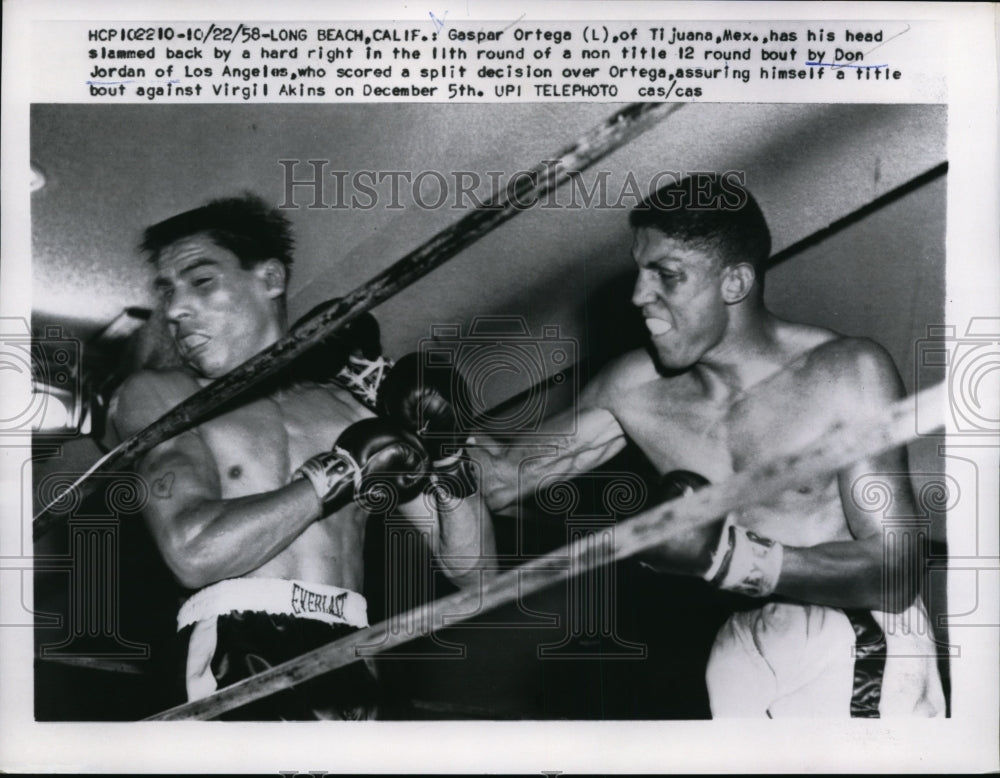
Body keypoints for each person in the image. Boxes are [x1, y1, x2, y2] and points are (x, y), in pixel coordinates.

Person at [473, 175, 945, 717]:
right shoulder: (635, 388)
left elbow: (898, 572)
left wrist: (727, 557)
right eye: (639, 272)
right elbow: (501, 481)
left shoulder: (844, 373)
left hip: (857, 631)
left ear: (734, 281)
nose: (637, 296)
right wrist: (418, 428)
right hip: (742, 638)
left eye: (666, 276)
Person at [109, 194, 494, 720]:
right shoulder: (161, 395)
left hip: (353, 648)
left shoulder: (350, 408)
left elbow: (476, 575)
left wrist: (450, 465)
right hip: (236, 645)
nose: (175, 310)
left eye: (200, 282)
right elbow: (194, 549)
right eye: (167, 291)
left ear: (269, 279)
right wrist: (339, 474)